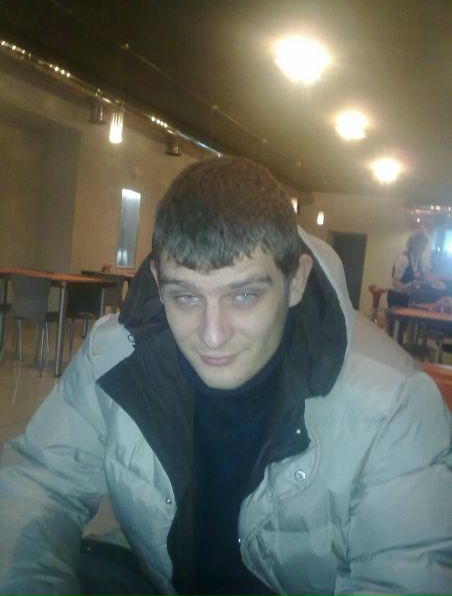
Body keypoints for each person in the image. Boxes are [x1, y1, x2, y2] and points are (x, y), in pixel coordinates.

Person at [0, 157, 451, 596]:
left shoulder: (395, 404)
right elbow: (40, 483)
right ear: (158, 283)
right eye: (186, 297)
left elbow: (400, 577)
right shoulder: (113, 356)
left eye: (244, 295)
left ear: (295, 280)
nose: (212, 336)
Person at [387, 231, 429, 308]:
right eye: (421, 246)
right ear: (414, 245)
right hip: (396, 296)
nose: (423, 250)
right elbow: (395, 282)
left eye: (424, 247)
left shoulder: (418, 259)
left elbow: (424, 275)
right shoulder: (404, 259)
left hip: (406, 296)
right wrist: (407, 289)